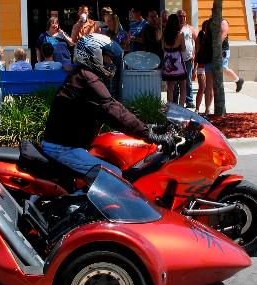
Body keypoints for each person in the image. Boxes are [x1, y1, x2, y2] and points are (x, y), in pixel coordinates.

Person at [42, 33, 176, 177]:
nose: (110, 61)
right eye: (106, 56)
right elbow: (113, 112)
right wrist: (148, 134)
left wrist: (149, 127)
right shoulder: (87, 80)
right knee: (114, 176)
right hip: (63, 149)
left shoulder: (83, 75)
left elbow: (113, 106)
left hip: (66, 145)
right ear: (92, 55)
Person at [203, 18, 244, 115]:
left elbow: (223, 35)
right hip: (210, 54)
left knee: (223, 67)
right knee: (210, 83)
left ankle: (238, 80)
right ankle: (207, 108)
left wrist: (216, 48)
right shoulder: (209, 23)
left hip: (222, 51)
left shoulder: (223, 22)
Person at [174, 10, 197, 109]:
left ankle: (189, 100)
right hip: (176, 59)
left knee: (188, 80)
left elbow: (197, 41)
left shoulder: (190, 28)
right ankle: (174, 101)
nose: (182, 18)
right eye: (180, 16)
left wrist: (194, 54)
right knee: (175, 82)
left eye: (184, 16)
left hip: (188, 58)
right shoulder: (173, 28)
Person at [162, 14, 186, 106]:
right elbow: (183, 49)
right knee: (183, 87)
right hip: (178, 63)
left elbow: (163, 48)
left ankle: (170, 108)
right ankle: (181, 108)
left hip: (168, 62)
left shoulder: (164, 33)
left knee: (170, 88)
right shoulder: (180, 34)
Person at [194, 20, 209, 113]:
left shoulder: (212, 37)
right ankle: (197, 108)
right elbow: (197, 51)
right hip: (202, 64)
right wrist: (194, 67)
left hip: (208, 64)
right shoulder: (200, 36)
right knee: (202, 87)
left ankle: (207, 108)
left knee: (208, 88)